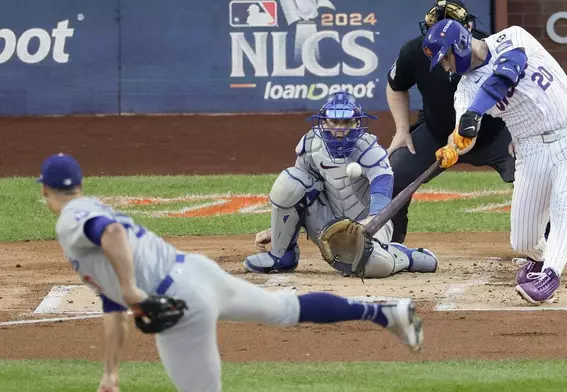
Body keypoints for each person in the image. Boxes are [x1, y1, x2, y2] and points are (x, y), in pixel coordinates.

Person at [37, 153, 424, 392]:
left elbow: (112, 233)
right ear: (81, 183)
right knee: (285, 309)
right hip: (196, 273)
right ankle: (386, 313)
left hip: (183, 302)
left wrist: (131, 291)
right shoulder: (90, 211)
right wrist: (110, 373)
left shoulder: (73, 216)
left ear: (44, 191)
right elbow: (112, 306)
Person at [423, 19, 567, 304]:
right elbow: (465, 132)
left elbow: (508, 70)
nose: (446, 67)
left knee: (566, 204)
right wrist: (453, 146)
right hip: (531, 150)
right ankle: (544, 260)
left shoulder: (513, 36)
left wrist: (476, 112)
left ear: (461, 45)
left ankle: (550, 277)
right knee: (523, 241)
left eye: (446, 59)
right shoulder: (465, 91)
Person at [244, 90, 438, 278]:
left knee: (375, 266)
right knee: (289, 182)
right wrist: (280, 230)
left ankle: (403, 256)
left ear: (357, 122)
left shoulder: (369, 149)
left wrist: (372, 219)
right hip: (327, 225)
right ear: (324, 121)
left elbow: (383, 185)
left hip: (368, 225)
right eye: (334, 121)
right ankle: (282, 255)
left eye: (347, 122)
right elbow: (299, 191)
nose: (340, 129)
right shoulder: (311, 144)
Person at [386, 0, 516, 243]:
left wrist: (520, 135)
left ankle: (545, 244)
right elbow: (395, 85)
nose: (444, 58)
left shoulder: (488, 49)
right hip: (437, 134)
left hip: (495, 135)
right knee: (394, 173)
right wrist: (402, 130)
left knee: (534, 171)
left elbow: (518, 93)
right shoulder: (416, 52)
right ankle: (390, 243)